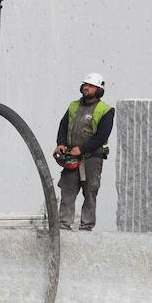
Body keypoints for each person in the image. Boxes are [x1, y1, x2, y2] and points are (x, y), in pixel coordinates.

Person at [53, 72, 114, 231]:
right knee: (67, 191)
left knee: (90, 192)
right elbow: (64, 126)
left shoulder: (105, 110)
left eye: (91, 86)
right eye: (85, 85)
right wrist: (60, 143)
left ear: (99, 90)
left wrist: (81, 149)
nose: (86, 87)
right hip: (72, 158)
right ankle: (64, 225)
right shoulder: (73, 106)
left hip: (92, 159)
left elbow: (102, 136)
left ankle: (86, 227)